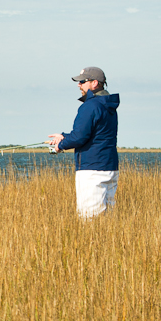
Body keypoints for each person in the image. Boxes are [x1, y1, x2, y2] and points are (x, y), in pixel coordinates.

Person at [47, 66, 120, 218]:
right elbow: (94, 134)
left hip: (91, 170)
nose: (79, 85)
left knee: (90, 219)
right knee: (107, 218)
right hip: (110, 168)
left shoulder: (90, 106)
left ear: (94, 83)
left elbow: (80, 137)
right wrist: (63, 136)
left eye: (82, 81)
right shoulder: (109, 106)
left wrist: (60, 145)